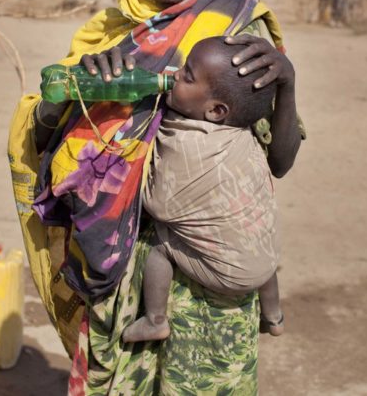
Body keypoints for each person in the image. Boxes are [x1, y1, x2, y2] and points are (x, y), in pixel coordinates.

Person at [8, 0, 305, 393]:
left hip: (212, 270)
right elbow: (46, 134)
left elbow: (278, 162)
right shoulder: (112, 35)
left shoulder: (234, 32)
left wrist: (288, 82)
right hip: (124, 264)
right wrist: (83, 91)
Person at [122, 36, 285, 344]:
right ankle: (274, 315)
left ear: (215, 110)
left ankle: (155, 320)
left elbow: (159, 205)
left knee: (160, 245)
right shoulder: (241, 132)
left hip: (230, 276)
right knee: (257, 243)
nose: (174, 75)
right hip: (267, 258)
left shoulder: (186, 144)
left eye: (187, 76)